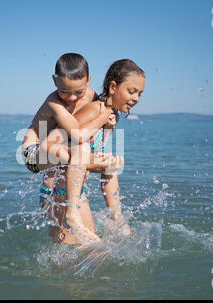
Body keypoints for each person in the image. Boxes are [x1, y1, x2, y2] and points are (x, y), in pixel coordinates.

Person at [22, 53, 123, 242]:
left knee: (106, 164)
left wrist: (111, 120)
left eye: (78, 91)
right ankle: (71, 212)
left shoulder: (92, 96)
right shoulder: (54, 102)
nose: (71, 97)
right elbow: (77, 134)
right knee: (82, 151)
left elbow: (94, 129)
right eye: (64, 92)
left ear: (88, 80)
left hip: (57, 148)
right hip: (34, 152)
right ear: (54, 81)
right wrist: (103, 117)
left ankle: (116, 217)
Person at [46, 58, 145, 244]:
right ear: (113, 87)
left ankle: (116, 216)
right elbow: (54, 144)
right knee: (68, 258)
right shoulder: (95, 110)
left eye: (140, 93)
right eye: (131, 91)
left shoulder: (111, 115)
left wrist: (103, 162)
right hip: (57, 190)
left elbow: (83, 161)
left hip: (75, 192)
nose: (136, 98)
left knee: (91, 251)